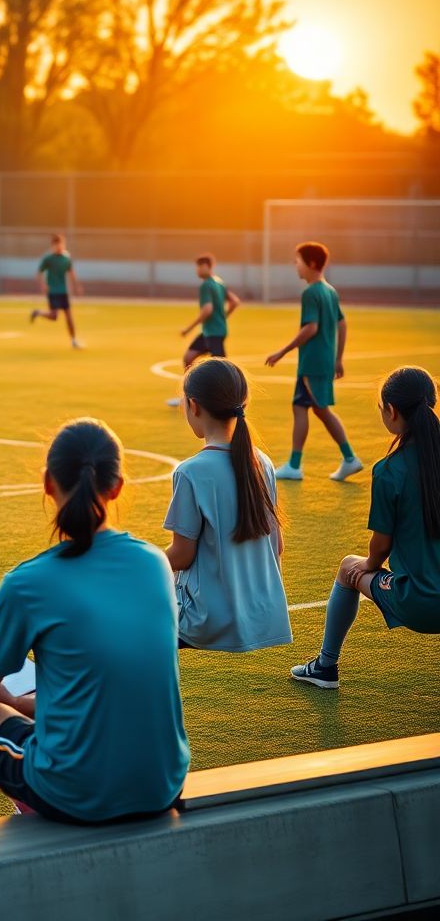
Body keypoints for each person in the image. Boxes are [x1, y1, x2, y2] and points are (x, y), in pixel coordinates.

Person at [0, 418, 190, 823]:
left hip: (78, 794)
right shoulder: (155, 563)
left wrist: (8, 702)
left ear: (48, 483)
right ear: (117, 487)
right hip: (161, 784)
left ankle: (33, 803)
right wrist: (20, 705)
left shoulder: (28, 582)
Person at [291, 367, 440, 689]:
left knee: (349, 567)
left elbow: (381, 546)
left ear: (391, 411)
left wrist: (369, 566)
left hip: (424, 602)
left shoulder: (389, 470)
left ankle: (325, 667)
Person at [164, 359, 291, 651]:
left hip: (207, 619)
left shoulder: (191, 472)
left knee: (123, 613)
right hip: (262, 614)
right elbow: (277, 545)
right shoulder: (262, 462)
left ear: (193, 406)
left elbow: (181, 556)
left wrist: (142, 563)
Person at [265, 241, 361, 482]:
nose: (295, 265)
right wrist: (338, 358)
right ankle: (346, 459)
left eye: (297, 261)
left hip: (312, 362)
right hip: (324, 361)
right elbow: (342, 324)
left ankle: (299, 465)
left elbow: (311, 328)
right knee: (314, 408)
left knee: (307, 408)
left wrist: (282, 351)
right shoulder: (330, 291)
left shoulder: (311, 293)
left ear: (311, 263)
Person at [166, 254, 241, 408]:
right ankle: (188, 398)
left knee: (223, 370)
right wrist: (222, 317)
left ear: (207, 266)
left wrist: (188, 328)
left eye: (200, 267)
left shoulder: (206, 285)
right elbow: (235, 302)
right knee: (188, 358)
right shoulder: (219, 282)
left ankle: (231, 401)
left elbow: (207, 310)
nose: (197, 270)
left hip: (213, 333)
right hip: (211, 332)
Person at [29, 233, 84, 349]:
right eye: (56, 244)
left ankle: (74, 341)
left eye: (61, 244)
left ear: (64, 244)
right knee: (54, 316)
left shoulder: (66, 258)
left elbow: (71, 273)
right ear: (53, 246)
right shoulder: (48, 259)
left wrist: (77, 286)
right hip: (53, 291)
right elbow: (39, 273)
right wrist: (43, 285)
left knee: (69, 316)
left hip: (63, 291)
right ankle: (38, 313)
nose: (59, 246)